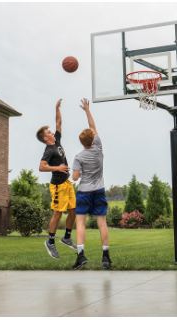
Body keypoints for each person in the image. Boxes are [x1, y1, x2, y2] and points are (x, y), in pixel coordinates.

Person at [71, 98, 111, 270]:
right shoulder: (98, 147)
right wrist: (87, 110)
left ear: (82, 142)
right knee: (102, 223)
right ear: (93, 139)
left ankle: (80, 256)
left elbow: (74, 177)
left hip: (84, 192)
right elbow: (93, 126)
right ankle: (106, 257)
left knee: (80, 223)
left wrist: (75, 171)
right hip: (99, 191)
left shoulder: (79, 156)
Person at [37, 99, 77, 259]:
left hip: (67, 183)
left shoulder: (57, 142)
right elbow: (41, 166)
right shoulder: (49, 150)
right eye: (49, 133)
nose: (52, 132)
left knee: (74, 210)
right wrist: (58, 168)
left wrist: (56, 108)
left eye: (51, 132)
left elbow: (58, 122)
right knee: (58, 214)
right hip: (58, 185)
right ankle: (50, 242)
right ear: (45, 138)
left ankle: (66, 237)